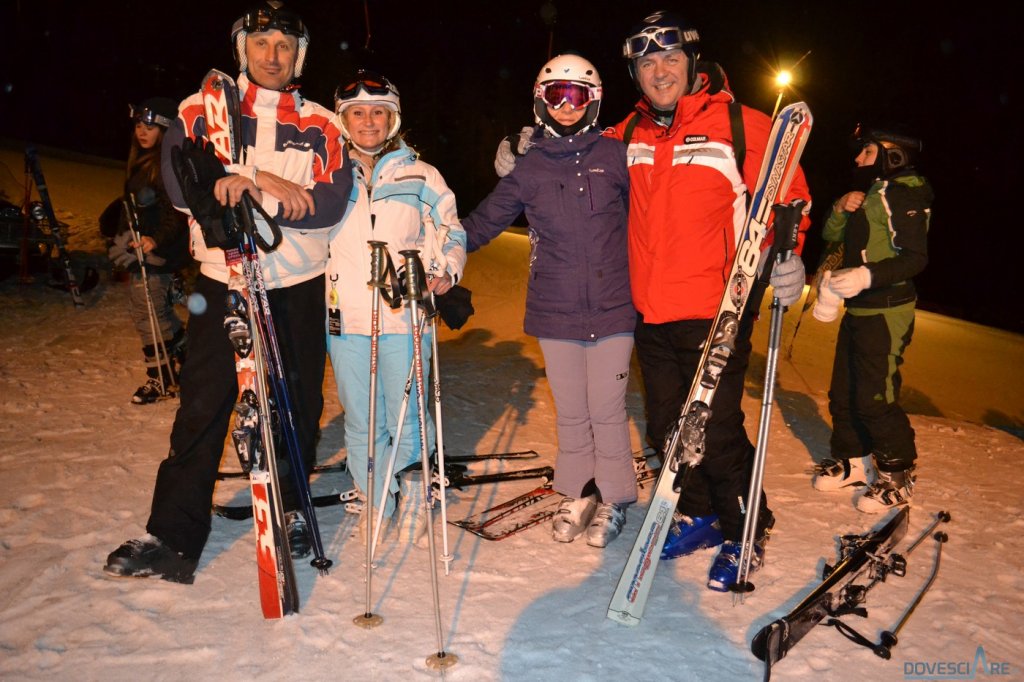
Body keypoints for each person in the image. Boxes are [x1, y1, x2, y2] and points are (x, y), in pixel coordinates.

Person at [496, 10, 811, 590]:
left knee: (713, 428)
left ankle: (746, 526)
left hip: (717, 308)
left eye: (670, 59)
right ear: (634, 73)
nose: (659, 71)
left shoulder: (743, 125)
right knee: (668, 425)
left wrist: (789, 258)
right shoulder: (629, 135)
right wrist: (525, 150)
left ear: (692, 63)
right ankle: (699, 511)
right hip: (646, 310)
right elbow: (575, 146)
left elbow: (789, 201)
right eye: (646, 62)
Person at [104, 1, 353, 583]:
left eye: (284, 47)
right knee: (203, 407)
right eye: (261, 44)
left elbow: (330, 204)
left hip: (294, 284)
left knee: (295, 403)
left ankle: (289, 507)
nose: (273, 56)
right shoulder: (199, 109)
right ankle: (172, 533)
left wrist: (258, 185)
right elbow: (178, 183)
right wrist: (247, 183)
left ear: (300, 56)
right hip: (223, 282)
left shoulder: (323, 123)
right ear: (243, 49)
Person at [464, 54, 636, 548]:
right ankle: (579, 491)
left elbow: (657, 209)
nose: (565, 105)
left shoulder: (615, 154)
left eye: (576, 96)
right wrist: (438, 249)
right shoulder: (529, 165)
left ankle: (614, 497)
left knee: (606, 407)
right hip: (555, 307)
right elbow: (483, 222)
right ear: (540, 101)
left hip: (613, 304)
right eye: (555, 95)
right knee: (571, 410)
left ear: (593, 100)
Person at [325, 70, 466, 540]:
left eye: (378, 112)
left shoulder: (421, 174)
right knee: (362, 418)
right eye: (358, 113)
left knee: (406, 415)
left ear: (394, 118)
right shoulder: (327, 173)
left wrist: (446, 268)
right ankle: (374, 495)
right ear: (343, 119)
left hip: (405, 315)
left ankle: (412, 490)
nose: (369, 121)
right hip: (345, 318)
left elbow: (450, 229)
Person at [811, 124, 932, 513]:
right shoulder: (869, 194)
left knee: (875, 398)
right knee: (843, 391)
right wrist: (839, 207)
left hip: (887, 309)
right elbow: (832, 235)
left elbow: (915, 257)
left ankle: (898, 473)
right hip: (858, 308)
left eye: (866, 152)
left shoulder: (907, 192)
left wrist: (866, 275)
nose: (857, 159)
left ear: (891, 154)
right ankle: (853, 462)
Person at [101, 97, 190, 405]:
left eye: (150, 126)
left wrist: (155, 239)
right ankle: (184, 351)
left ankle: (162, 378)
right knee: (154, 311)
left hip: (157, 252)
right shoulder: (141, 160)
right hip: (141, 249)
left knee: (148, 313)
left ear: (163, 130)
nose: (142, 131)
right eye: (139, 125)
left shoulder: (164, 164)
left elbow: (175, 213)